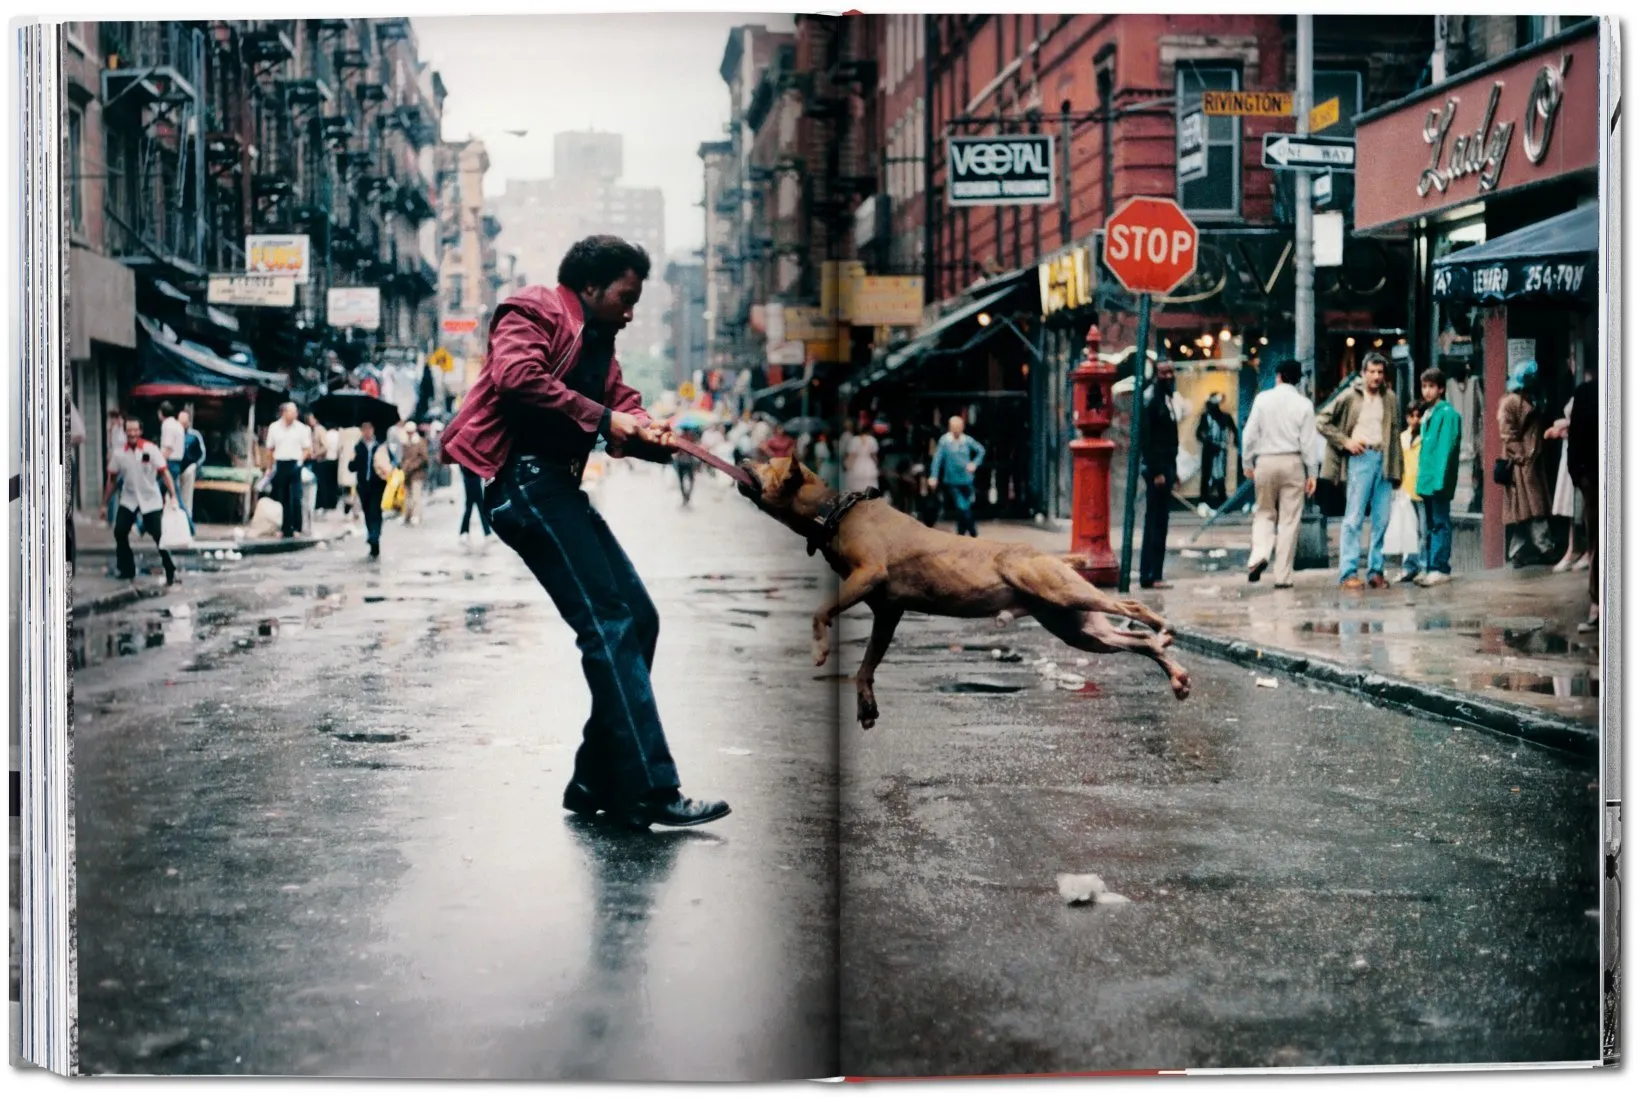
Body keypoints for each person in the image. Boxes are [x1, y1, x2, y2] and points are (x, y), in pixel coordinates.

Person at [438, 233, 728, 830]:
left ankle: (594, 778)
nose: (631, 312)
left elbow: (625, 404)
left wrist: (652, 432)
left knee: (638, 619)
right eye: (624, 298)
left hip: (559, 487)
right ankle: (650, 787)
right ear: (590, 287)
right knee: (609, 624)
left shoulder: (601, 345)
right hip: (524, 483)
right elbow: (517, 377)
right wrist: (605, 418)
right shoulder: (533, 309)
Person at [1319, 350, 1402, 590]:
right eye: (1372, 372)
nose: (1376, 376)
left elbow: (1395, 434)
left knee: (1382, 519)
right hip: (1361, 457)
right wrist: (1346, 442)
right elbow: (1322, 420)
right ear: (1364, 373)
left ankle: (1376, 570)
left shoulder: (1391, 398)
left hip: (1384, 458)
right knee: (1353, 518)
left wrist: (1398, 470)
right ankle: (1348, 572)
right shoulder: (1350, 396)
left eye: (1380, 372)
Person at [1241, 359, 1318, 589]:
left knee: (1264, 512)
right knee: (1289, 520)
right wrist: (1312, 472)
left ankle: (1260, 554)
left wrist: (1248, 461)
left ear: (1278, 376)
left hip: (1265, 461)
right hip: (1293, 462)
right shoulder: (1304, 405)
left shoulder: (1262, 400)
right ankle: (1283, 576)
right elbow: (1309, 443)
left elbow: (1249, 434)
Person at [104, 416, 178, 586]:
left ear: (140, 431)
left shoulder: (150, 449)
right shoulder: (119, 453)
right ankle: (127, 569)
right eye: (129, 430)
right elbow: (112, 480)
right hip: (129, 498)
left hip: (150, 498)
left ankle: (170, 568)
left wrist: (173, 495)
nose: (132, 433)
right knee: (120, 531)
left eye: (135, 430)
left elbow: (164, 473)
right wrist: (104, 503)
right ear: (125, 432)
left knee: (158, 536)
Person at [1497, 359, 1554, 566]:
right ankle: (1542, 547)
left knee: (1528, 509)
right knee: (1529, 509)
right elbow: (1507, 434)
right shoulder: (1511, 401)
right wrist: (1521, 455)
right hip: (1521, 464)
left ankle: (1521, 550)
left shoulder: (1529, 398)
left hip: (1530, 461)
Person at [1414, 367, 1463, 588]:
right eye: (1424, 386)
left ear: (1441, 388)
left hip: (1437, 479)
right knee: (1431, 524)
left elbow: (1446, 449)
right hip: (1427, 478)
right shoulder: (1428, 413)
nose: (1427, 391)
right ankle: (1431, 566)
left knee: (1440, 522)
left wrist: (1441, 479)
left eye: (1431, 386)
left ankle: (1441, 567)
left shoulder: (1448, 414)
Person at [1546, 355, 1593, 573]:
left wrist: (1562, 427)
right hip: (1570, 452)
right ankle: (1574, 547)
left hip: (1582, 452)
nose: (1570, 363)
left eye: (1574, 358)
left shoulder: (1589, 387)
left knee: (1585, 505)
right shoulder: (1576, 387)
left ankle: (1587, 550)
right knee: (1571, 505)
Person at [1137, 362, 1181, 589]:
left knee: (1161, 522)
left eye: (1171, 372)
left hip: (1167, 465)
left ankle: (1156, 573)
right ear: (1156, 374)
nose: (1169, 376)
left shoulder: (1167, 398)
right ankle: (1150, 574)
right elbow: (1148, 438)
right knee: (1154, 522)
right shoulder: (1151, 399)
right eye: (1165, 372)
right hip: (1158, 468)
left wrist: (1174, 470)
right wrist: (1156, 471)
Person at [1565, 365, 1598, 632]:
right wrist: (1580, 476)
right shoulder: (1586, 393)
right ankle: (1597, 602)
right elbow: (1576, 438)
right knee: (1598, 541)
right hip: (1595, 479)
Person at [1384, 403, 1425, 583]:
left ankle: (1423, 565)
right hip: (1406, 489)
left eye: (1419, 416)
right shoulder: (1401, 438)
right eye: (1412, 416)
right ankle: (1410, 566)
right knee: (1409, 530)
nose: (1415, 419)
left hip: (1422, 490)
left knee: (1423, 530)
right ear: (1407, 418)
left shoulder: (1426, 437)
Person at [928, 414, 987, 538]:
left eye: (958, 426)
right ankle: (973, 532)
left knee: (965, 507)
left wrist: (974, 464)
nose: (956, 429)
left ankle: (960, 533)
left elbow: (981, 450)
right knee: (962, 507)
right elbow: (937, 459)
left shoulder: (967, 440)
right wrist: (934, 476)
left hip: (966, 479)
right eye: (954, 426)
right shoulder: (945, 441)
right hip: (952, 480)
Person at [264, 402, 313, 538]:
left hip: (295, 463)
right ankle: (286, 528)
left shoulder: (301, 429)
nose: (294, 414)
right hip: (280, 463)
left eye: (295, 412)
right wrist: (269, 467)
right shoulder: (274, 427)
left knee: (296, 496)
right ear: (283, 413)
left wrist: (300, 461)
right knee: (283, 497)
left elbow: (308, 449)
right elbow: (270, 449)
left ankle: (297, 526)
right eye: (291, 412)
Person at [350, 421, 391, 558]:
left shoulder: (380, 446)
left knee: (375, 510)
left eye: (369, 428)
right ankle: (371, 535)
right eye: (364, 429)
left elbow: (392, 461)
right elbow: (352, 467)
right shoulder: (358, 447)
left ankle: (375, 536)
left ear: (373, 430)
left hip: (378, 484)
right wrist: (353, 460)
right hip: (363, 484)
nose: (367, 432)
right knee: (367, 511)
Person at [1194, 393, 1238, 508]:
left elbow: (1234, 430)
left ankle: (1222, 501)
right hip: (1208, 449)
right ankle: (1203, 500)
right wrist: (1205, 439)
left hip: (1220, 449)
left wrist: (1235, 442)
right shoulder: (1205, 417)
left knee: (1220, 474)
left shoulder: (1226, 417)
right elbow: (1198, 433)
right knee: (1206, 474)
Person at [176, 410, 205, 521]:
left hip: (190, 468)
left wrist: (196, 466)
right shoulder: (175, 434)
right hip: (176, 467)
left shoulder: (194, 435)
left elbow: (202, 454)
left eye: (184, 422)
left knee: (187, 496)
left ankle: (187, 518)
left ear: (188, 423)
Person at [842, 411, 880, 495]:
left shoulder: (854, 440)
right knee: (869, 493)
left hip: (857, 468)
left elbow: (851, 457)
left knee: (857, 492)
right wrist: (877, 466)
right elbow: (874, 457)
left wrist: (847, 468)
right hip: (869, 468)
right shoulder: (872, 440)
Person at [400, 423, 429, 525]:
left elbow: (424, 458)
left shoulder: (420, 442)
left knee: (416, 496)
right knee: (407, 496)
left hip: (417, 473)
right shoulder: (405, 443)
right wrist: (404, 466)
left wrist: (414, 465)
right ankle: (408, 515)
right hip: (407, 473)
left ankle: (416, 515)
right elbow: (402, 458)